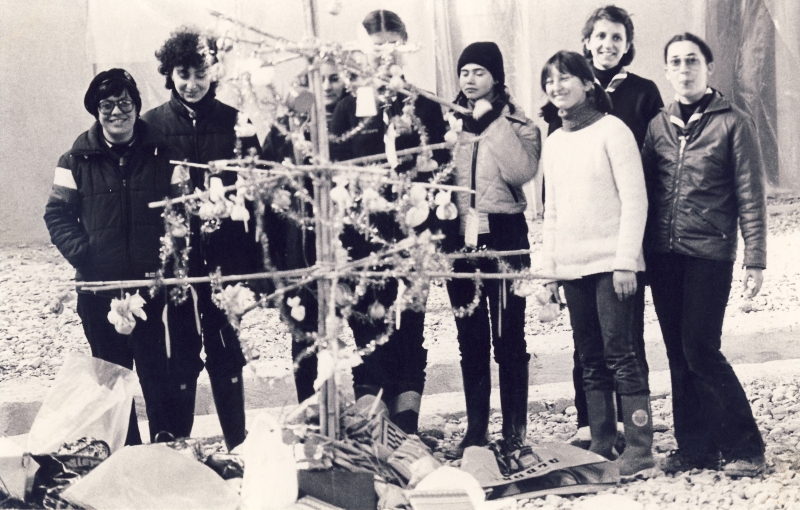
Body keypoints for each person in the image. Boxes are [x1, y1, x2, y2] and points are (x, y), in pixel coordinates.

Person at [44, 69, 201, 444]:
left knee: (158, 374)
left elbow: (184, 212)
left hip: (152, 287)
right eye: (107, 105)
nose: (117, 112)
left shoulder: (166, 155)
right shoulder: (74, 160)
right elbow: (57, 214)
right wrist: (85, 255)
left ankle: (164, 449)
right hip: (99, 288)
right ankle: (126, 453)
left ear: (136, 106)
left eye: (125, 103)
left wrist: (167, 260)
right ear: (96, 110)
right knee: (112, 380)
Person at [642, 33, 767, 477]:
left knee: (700, 347)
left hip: (709, 252)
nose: (684, 69)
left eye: (692, 60)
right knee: (678, 353)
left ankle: (746, 447)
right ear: (666, 71)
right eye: (675, 62)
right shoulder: (658, 126)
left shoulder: (734, 123)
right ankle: (696, 449)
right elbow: (646, 192)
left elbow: (750, 195)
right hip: (663, 254)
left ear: (708, 67)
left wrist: (755, 257)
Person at [542, 6, 663, 450]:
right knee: (590, 359)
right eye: (549, 81)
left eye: (565, 79)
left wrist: (626, 260)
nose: (557, 87)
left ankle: (640, 445)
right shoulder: (555, 142)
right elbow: (552, 211)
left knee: (622, 354)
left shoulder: (614, 130)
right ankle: (601, 440)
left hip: (614, 265)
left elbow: (636, 199)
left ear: (587, 83)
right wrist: (549, 271)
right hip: (573, 267)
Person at [329, 9, 453, 434]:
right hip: (363, 242)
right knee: (366, 328)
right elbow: (338, 176)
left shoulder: (425, 105)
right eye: (376, 47)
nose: (384, 54)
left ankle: (406, 426)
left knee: (409, 331)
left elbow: (441, 171)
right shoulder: (348, 107)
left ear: (405, 46)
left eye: (392, 45)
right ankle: (372, 429)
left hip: (412, 239)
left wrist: (432, 232)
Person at [142, 27, 262, 451]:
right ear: (169, 74)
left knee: (226, 349)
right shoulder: (151, 125)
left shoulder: (237, 122)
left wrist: (252, 264)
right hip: (175, 258)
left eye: (200, 74)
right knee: (181, 352)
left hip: (225, 256)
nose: (192, 84)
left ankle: (237, 445)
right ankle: (179, 449)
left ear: (214, 73)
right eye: (183, 74)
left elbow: (257, 193)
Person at [445, 42, 540, 459]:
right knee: (470, 337)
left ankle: (515, 431)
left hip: (505, 234)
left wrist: (492, 122)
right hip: (459, 238)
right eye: (465, 71)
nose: (470, 79)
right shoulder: (449, 123)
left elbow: (521, 171)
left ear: (497, 78)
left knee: (509, 335)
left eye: (479, 72)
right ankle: (476, 430)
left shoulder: (520, 124)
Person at [261, 59, 350, 403]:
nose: (326, 86)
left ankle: (348, 410)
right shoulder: (290, 124)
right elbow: (267, 181)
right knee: (304, 335)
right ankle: (311, 412)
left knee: (351, 328)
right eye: (318, 80)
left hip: (349, 243)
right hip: (299, 246)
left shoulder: (355, 116)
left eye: (334, 78)